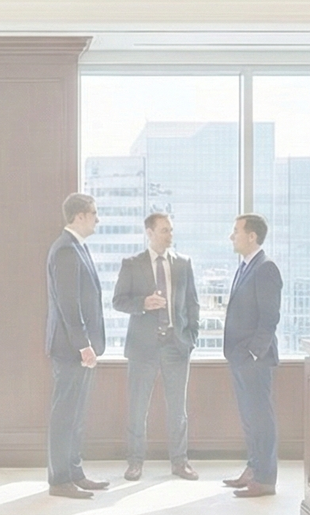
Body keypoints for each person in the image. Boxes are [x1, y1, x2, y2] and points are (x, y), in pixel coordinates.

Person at [113, 213, 200, 481]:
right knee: (138, 408)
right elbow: (118, 301)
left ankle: (180, 462)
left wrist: (191, 338)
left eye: (171, 230)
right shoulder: (132, 264)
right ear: (149, 232)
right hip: (142, 349)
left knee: (178, 409)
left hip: (176, 346)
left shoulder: (184, 264)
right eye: (164, 230)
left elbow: (192, 304)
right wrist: (142, 304)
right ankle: (135, 462)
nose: (169, 235)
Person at [45, 193, 110, 499]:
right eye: (94, 213)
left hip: (80, 348)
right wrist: (84, 345)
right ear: (79, 216)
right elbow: (69, 305)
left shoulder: (77, 248)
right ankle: (60, 480)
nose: (97, 219)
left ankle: (74, 472)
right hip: (71, 348)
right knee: (65, 414)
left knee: (76, 414)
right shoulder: (65, 251)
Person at [222, 214, 283, 498]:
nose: (232, 236)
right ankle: (253, 469)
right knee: (249, 417)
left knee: (260, 418)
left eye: (236, 231)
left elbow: (270, 318)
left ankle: (265, 478)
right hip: (240, 357)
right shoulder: (246, 266)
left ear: (252, 236)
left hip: (254, 359)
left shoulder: (266, 268)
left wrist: (253, 353)